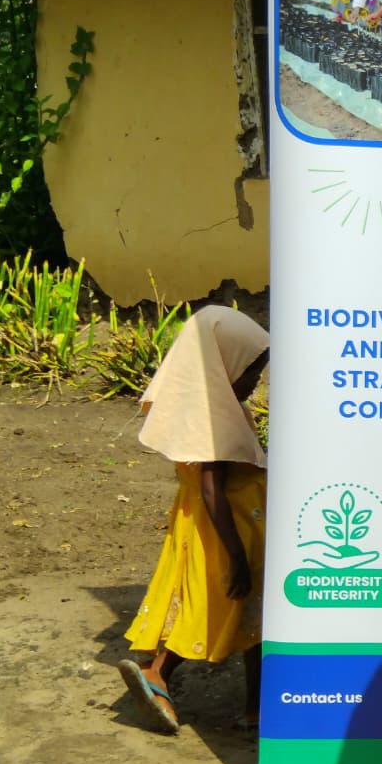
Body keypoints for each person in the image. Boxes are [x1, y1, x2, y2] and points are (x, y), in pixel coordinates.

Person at [117, 307, 270, 734]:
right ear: (224, 363)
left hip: (232, 527)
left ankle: (256, 706)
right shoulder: (212, 416)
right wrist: (236, 556)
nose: (256, 380)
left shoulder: (207, 405)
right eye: (251, 369)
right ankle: (158, 672)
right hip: (228, 531)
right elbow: (211, 487)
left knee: (254, 621)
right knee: (221, 609)